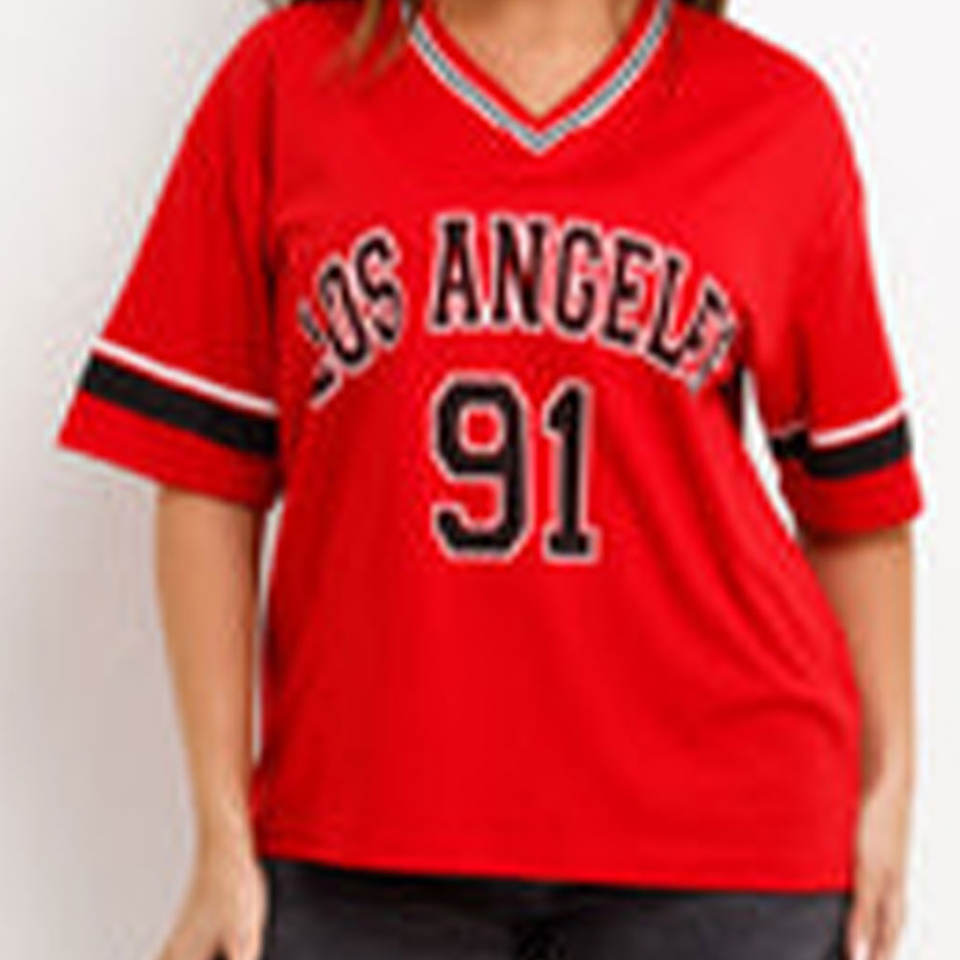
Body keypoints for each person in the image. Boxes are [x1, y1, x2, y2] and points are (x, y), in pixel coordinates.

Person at [56, 0, 923, 958]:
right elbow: (208, 476)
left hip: (724, 848)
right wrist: (220, 833)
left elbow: (852, 501)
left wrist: (891, 784)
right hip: (361, 843)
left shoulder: (773, 113)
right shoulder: (281, 83)